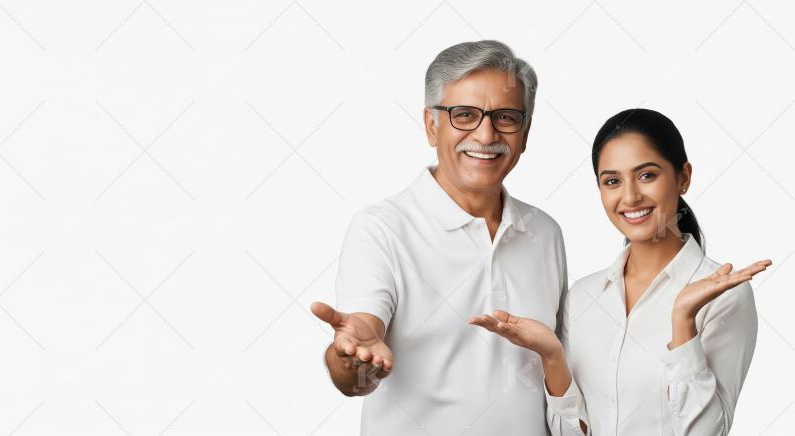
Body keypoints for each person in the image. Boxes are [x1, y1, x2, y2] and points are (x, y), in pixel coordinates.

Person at [310, 40, 568, 435]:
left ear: (526, 132)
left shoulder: (544, 232)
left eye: (505, 117)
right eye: (464, 115)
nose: (486, 134)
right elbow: (358, 355)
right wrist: (351, 359)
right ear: (432, 126)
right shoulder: (381, 228)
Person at [470, 108, 772, 435]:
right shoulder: (583, 297)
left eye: (647, 175)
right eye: (612, 181)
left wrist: (683, 322)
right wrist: (552, 355)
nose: (630, 197)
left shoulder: (723, 297)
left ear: (683, 177)